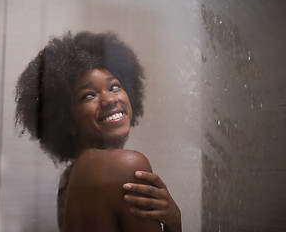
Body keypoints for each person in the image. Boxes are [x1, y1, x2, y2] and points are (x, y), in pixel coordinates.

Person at [15, 31, 181, 232]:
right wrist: (174, 221)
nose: (110, 99)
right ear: (67, 119)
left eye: (114, 86)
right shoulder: (125, 165)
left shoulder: (69, 178)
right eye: (89, 95)